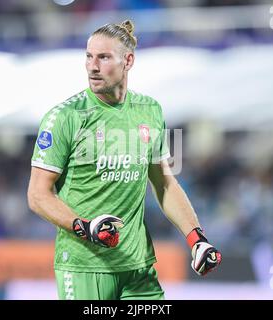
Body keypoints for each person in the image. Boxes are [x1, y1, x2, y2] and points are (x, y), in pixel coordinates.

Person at [27, 20, 222, 300]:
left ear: (128, 60)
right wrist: (85, 226)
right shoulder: (64, 118)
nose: (92, 66)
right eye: (88, 56)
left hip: (138, 270)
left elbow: (164, 184)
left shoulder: (150, 110)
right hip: (85, 268)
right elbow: (37, 195)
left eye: (103, 57)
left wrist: (196, 240)